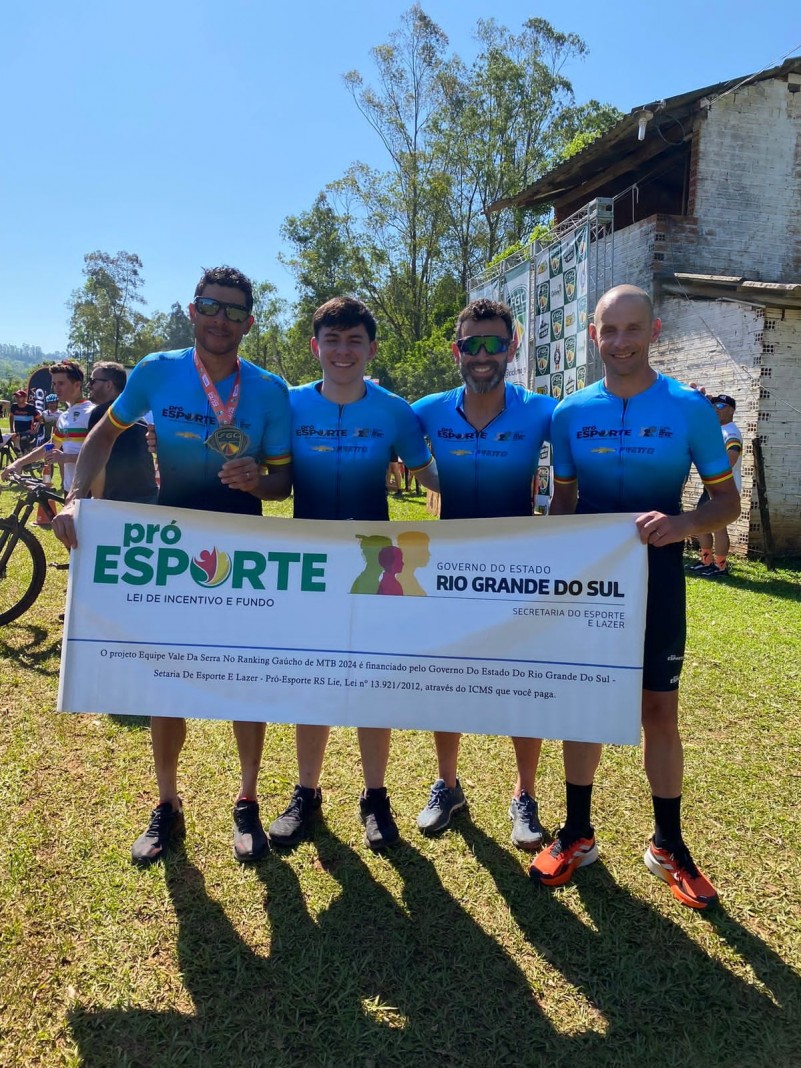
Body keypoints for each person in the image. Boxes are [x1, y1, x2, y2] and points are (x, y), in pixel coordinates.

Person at [52, 266, 292, 866]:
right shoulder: (157, 372)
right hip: (168, 550)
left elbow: (283, 481)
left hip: (245, 555)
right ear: (193, 310)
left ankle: (246, 802)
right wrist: (79, 495)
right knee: (166, 680)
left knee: (247, 682)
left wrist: (259, 481)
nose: (222, 320)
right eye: (212, 307)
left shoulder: (269, 389)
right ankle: (167, 804)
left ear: (250, 322)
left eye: (235, 311)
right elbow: (103, 436)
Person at [529, 284, 740, 909]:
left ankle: (668, 844)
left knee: (658, 712)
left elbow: (726, 502)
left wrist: (681, 525)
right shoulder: (569, 413)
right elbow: (563, 506)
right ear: (593, 334)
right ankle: (576, 834)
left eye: (632, 329)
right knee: (584, 705)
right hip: (590, 584)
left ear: (655, 330)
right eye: (608, 330)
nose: (619, 342)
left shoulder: (690, 408)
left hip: (660, 576)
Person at [268, 296, 439, 852]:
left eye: (355, 341)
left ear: (371, 348)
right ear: (315, 347)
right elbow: (258, 468)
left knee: (372, 682)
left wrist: (491, 487)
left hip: (377, 565)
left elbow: (430, 475)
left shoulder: (394, 409)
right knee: (312, 682)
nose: (344, 352)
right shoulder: (287, 405)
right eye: (333, 341)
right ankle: (306, 793)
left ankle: (375, 796)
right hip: (310, 567)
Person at [412, 298, 557, 850]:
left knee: (524, 683)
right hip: (446, 571)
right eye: (472, 344)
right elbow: (385, 444)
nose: (482, 354)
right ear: (457, 350)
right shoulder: (426, 410)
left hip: (519, 571)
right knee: (447, 680)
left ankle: (524, 796)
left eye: (495, 343)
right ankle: (447, 785)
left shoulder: (543, 411)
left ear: (511, 348)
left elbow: (577, 474)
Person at [3, 362, 92, 490]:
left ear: (77, 385)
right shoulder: (64, 416)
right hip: (71, 488)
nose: (56, 388)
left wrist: (66, 457)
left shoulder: (92, 412)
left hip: (89, 492)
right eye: (54, 384)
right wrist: (18, 463)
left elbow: (104, 456)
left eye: (61, 383)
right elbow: (51, 445)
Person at [85, 362, 158, 504]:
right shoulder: (136, 413)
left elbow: (97, 460)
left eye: (93, 381)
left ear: (108, 385)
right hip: (148, 497)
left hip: (117, 501)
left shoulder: (102, 413)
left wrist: (97, 500)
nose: (89, 385)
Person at [688, 393, 742, 579]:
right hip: (711, 486)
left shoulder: (731, 432)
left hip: (724, 487)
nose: (716, 410)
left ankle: (720, 567)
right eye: (714, 407)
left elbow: (731, 459)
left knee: (719, 527)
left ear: (731, 410)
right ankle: (706, 561)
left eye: (720, 407)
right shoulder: (718, 430)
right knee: (702, 523)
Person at [8, 388, 41, 453]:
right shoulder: (14, 406)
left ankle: (25, 457)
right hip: (18, 431)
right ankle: (19, 455)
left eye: (19, 397)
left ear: (25, 398)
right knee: (13, 439)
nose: (17, 398)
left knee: (24, 443)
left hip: (27, 431)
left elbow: (39, 419)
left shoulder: (30, 407)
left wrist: (36, 429)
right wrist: (11, 428)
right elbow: (11, 417)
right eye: (16, 396)